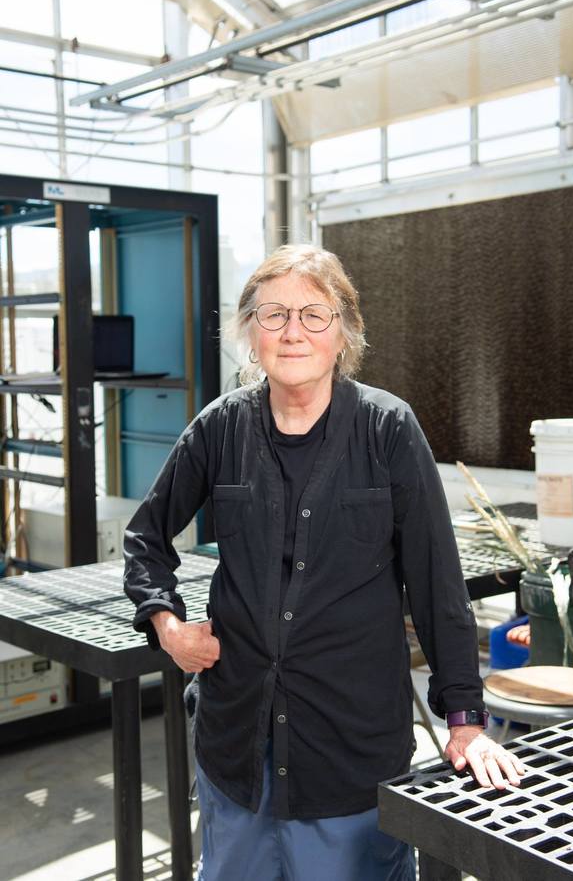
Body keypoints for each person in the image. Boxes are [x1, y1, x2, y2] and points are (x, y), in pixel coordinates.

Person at [123, 244, 525, 881]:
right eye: (274, 313)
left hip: (349, 749)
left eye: (314, 314)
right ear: (250, 333)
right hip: (237, 747)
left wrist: (466, 721)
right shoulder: (219, 429)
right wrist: (166, 624)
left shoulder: (387, 428)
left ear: (344, 334)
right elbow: (145, 538)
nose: (292, 332)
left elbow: (435, 583)